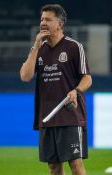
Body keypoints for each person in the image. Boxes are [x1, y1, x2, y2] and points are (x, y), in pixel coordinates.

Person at [20, 4, 92, 175]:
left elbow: (87, 78)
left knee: (75, 163)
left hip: (69, 114)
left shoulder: (74, 47)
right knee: (53, 167)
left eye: (48, 19)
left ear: (60, 24)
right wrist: (36, 46)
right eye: (42, 19)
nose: (43, 23)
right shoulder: (38, 49)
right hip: (47, 116)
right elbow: (25, 76)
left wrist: (76, 90)